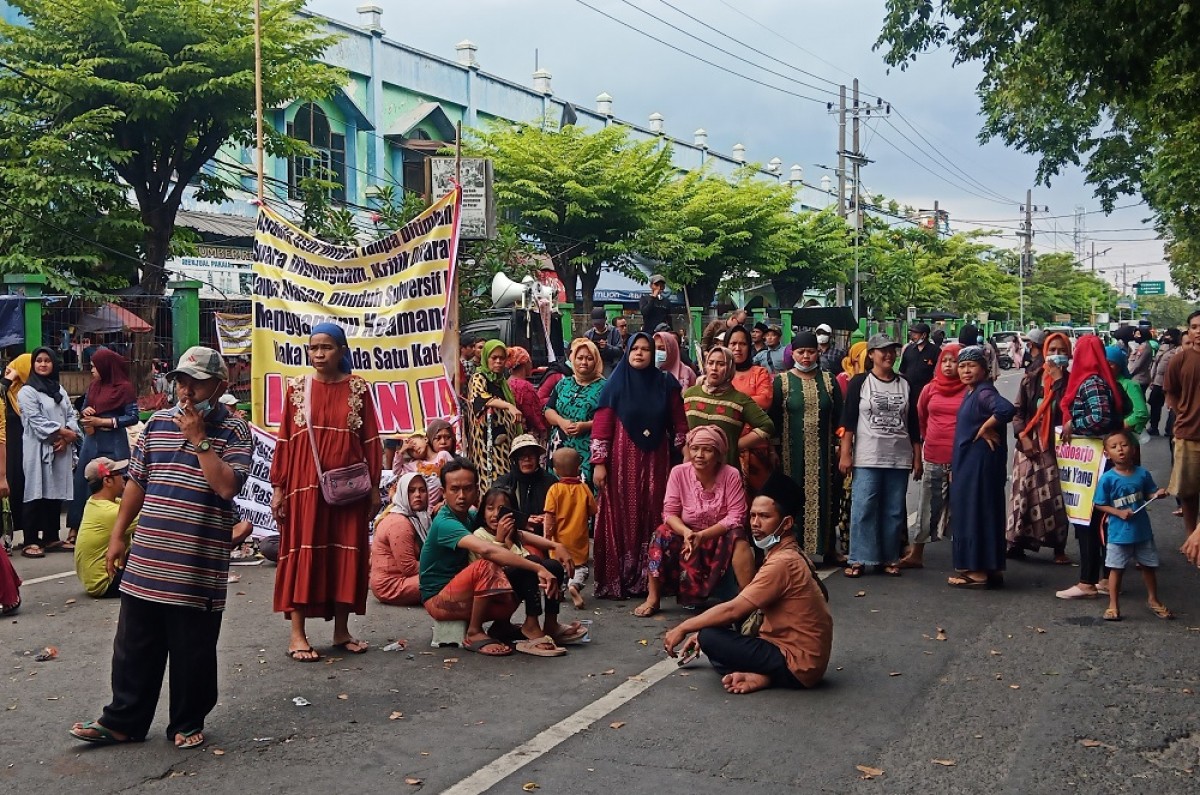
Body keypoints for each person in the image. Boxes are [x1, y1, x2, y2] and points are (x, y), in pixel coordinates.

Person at [69, 346, 251, 749]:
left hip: (196, 560)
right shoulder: (157, 425)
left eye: (196, 383)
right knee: (134, 645)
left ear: (219, 387)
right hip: (149, 552)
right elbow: (137, 482)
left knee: (193, 648)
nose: (186, 392)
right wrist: (118, 536)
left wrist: (200, 441)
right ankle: (122, 721)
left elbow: (225, 486)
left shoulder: (235, 430)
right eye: (182, 382)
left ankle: (186, 722)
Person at [271, 324, 383, 662]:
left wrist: (376, 489)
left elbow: (371, 441)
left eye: (327, 347)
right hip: (303, 489)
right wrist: (278, 488)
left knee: (345, 555)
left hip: (349, 490)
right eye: (314, 347)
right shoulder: (296, 389)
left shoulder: (358, 389)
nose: (319, 354)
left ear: (342, 350)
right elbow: (285, 442)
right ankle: (297, 635)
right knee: (305, 553)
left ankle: (341, 630)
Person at [662, 487, 833, 695]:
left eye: (764, 516)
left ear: (786, 523)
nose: (755, 523)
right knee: (722, 626)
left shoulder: (783, 562)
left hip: (798, 663)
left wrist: (684, 627)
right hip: (803, 658)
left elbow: (734, 610)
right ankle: (763, 676)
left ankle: (770, 675)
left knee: (710, 637)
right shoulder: (790, 551)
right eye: (752, 516)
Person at [418, 458, 565, 656]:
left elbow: (518, 532)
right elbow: (488, 550)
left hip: (465, 593)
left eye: (468, 488)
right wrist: (537, 569)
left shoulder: (469, 515)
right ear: (443, 493)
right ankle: (475, 631)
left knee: (536, 564)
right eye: (454, 489)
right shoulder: (445, 522)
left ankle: (505, 625)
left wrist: (555, 545)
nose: (461, 496)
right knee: (487, 564)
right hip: (439, 599)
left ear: (477, 491)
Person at [591, 332, 688, 599]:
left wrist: (687, 453)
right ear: (627, 351)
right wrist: (599, 462)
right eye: (635, 348)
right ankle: (622, 577)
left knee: (655, 513)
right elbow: (601, 428)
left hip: (657, 462)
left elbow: (680, 423)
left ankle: (653, 579)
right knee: (622, 515)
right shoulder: (614, 385)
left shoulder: (665, 383)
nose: (640, 353)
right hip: (621, 463)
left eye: (646, 349)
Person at [636, 424, 747, 616]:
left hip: (719, 534)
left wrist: (702, 536)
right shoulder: (679, 472)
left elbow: (736, 515)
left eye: (707, 450)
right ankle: (653, 597)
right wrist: (687, 532)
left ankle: (749, 598)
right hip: (687, 534)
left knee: (739, 537)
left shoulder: (731, 474)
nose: (699, 455)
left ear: (719, 453)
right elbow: (669, 513)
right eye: (695, 448)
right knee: (660, 534)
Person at [839, 334, 922, 578]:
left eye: (892, 351)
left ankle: (889, 557)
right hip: (867, 456)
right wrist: (846, 454)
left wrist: (917, 458)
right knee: (863, 507)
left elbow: (914, 424)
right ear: (871, 354)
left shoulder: (905, 384)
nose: (888, 355)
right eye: (882, 351)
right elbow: (849, 422)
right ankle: (859, 558)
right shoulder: (860, 383)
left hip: (899, 457)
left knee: (894, 510)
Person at [1056, 334, 1127, 600]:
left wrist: (1075, 424)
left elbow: (1100, 418)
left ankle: (1088, 581)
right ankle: (1106, 577)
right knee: (1100, 522)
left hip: (1094, 461)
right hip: (1097, 461)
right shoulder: (1104, 381)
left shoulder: (1091, 382)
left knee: (1088, 520)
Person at [471, 486, 584, 650]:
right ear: (482, 512)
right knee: (530, 562)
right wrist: (500, 539)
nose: (495, 514)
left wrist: (556, 546)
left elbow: (530, 537)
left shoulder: (514, 534)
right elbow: (491, 564)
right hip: (492, 590)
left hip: (518, 586)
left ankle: (551, 623)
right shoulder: (480, 535)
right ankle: (531, 625)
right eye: (490, 508)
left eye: (501, 510)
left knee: (553, 566)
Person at [770, 331, 844, 563]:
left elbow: (840, 418)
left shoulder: (829, 380)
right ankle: (795, 549)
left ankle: (829, 549)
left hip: (825, 454)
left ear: (817, 352)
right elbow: (772, 419)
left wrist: (842, 445)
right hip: (791, 455)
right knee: (793, 499)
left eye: (811, 352)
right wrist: (773, 450)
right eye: (801, 352)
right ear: (793, 353)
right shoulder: (781, 382)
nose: (806, 357)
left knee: (828, 497)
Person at [946, 347, 1016, 588]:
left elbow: (1006, 409)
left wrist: (986, 427)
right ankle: (990, 566)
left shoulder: (984, 392)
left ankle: (977, 571)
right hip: (972, 463)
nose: (965, 370)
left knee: (974, 513)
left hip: (978, 465)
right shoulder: (973, 392)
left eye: (971, 366)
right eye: (962, 366)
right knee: (984, 512)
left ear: (984, 369)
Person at [1093, 430, 1172, 621]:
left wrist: (1157, 495)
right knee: (1116, 569)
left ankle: (1153, 600)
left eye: (1124, 445)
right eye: (1114, 447)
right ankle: (1113, 605)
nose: (1120, 449)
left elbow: (1149, 493)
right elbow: (1098, 504)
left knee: (1148, 566)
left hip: (1142, 532)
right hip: (1118, 534)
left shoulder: (1142, 473)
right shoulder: (1107, 479)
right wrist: (1119, 513)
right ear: (1106, 454)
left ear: (1133, 449)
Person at [1007, 332, 1072, 564]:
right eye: (1052, 350)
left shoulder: (1072, 383)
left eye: (1061, 351)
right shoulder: (1031, 379)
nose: (1056, 355)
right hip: (1028, 444)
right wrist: (1023, 437)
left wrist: (1059, 382)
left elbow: (1070, 411)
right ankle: (1016, 542)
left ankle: (1058, 547)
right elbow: (1018, 411)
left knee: (1055, 497)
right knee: (1022, 494)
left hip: (1057, 447)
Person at [901, 343, 965, 569]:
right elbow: (920, 418)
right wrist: (926, 442)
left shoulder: (970, 389)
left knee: (961, 508)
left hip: (962, 459)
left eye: (954, 361)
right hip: (934, 454)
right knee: (927, 504)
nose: (949, 366)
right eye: (945, 361)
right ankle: (917, 553)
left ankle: (964, 558)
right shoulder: (931, 388)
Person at [67, 348, 138, 548]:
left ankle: (118, 530)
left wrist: (104, 421)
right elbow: (84, 409)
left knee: (116, 481)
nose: (92, 370)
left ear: (106, 367)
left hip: (114, 440)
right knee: (83, 480)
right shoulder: (95, 387)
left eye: (94, 366)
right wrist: (86, 411)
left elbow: (132, 416)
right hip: (92, 440)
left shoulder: (124, 388)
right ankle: (76, 527)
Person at [18, 348, 80, 557]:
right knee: (35, 491)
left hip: (59, 448)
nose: (43, 364)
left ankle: (52, 537)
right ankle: (30, 539)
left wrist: (65, 438)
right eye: (38, 361)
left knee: (55, 492)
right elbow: (37, 421)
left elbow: (71, 413)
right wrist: (64, 433)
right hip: (38, 448)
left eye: (47, 361)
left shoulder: (59, 390)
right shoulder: (27, 392)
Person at [683, 345, 774, 470]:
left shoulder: (739, 400)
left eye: (721, 364)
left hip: (726, 470)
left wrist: (735, 445)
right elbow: (682, 429)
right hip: (693, 468)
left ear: (730, 368)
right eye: (710, 363)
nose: (714, 368)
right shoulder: (690, 395)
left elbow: (767, 426)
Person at [544, 338, 605, 487]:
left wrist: (586, 425)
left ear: (596, 360)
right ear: (573, 359)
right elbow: (548, 409)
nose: (584, 362)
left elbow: (608, 419)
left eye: (589, 358)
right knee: (557, 491)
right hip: (559, 446)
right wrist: (561, 422)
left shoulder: (605, 387)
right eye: (580, 358)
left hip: (585, 449)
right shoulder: (564, 383)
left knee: (582, 491)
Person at [465, 339, 524, 490]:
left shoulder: (502, 382)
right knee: (491, 487)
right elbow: (480, 397)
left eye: (501, 358)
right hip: (487, 447)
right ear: (486, 358)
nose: (498, 361)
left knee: (507, 486)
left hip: (505, 445)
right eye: (494, 358)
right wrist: (508, 406)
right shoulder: (478, 378)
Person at [543, 447, 596, 609]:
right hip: (579, 540)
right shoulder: (584, 488)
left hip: (559, 542)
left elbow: (549, 516)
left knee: (559, 570)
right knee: (580, 568)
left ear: (555, 470)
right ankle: (575, 586)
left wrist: (547, 537)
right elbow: (593, 510)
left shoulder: (554, 490)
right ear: (578, 468)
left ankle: (559, 590)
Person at [74, 458, 134, 598]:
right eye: (119, 473)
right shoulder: (108, 512)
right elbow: (152, 516)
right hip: (106, 582)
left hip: (95, 580)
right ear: (107, 481)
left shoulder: (94, 502)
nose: (125, 476)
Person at [369, 473, 430, 606]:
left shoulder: (416, 517)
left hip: (402, 579)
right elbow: (409, 568)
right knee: (445, 578)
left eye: (422, 490)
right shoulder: (400, 523)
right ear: (402, 493)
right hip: (390, 585)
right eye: (411, 491)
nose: (418, 495)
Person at [726, 325, 775, 491]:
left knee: (757, 504)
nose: (737, 348)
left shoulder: (759, 373)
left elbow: (765, 400)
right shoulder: (719, 374)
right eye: (732, 344)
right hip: (725, 450)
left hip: (756, 449)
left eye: (743, 344)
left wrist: (728, 401)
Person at [1167, 311, 1200, 551]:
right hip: (1188, 435)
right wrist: (1183, 416)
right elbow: (1171, 393)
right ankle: (1190, 537)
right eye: (1194, 327)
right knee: (1188, 493)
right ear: (1188, 331)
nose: (1198, 331)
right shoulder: (1180, 360)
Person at [494, 434, 557, 533]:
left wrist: (548, 517)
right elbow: (496, 510)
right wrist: (523, 520)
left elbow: (563, 511)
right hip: (513, 535)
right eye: (522, 456)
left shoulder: (550, 482)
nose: (527, 459)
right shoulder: (504, 482)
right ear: (515, 460)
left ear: (537, 458)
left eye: (531, 455)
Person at [1, 354, 30, 554]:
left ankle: (7, 538)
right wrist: (6, 382)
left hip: (21, 451)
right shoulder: (6, 390)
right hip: (6, 449)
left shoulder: (31, 392)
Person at [394, 430, 453, 509]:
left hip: (440, 506)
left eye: (414, 444)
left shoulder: (442, 455)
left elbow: (455, 476)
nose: (414, 449)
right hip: (420, 508)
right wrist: (402, 451)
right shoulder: (414, 465)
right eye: (411, 451)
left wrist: (445, 501)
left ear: (425, 439)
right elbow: (396, 471)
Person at [1105, 345, 1150, 436]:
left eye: (1111, 363)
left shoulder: (1129, 385)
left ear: (1120, 366)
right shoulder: (1099, 383)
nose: (1107, 367)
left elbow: (1142, 413)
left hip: (1124, 437)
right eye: (1104, 363)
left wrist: (1122, 426)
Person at [505, 346, 548, 441]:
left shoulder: (507, 382)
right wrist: (543, 431)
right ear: (525, 363)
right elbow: (532, 414)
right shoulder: (524, 386)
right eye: (530, 361)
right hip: (526, 434)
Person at [1147, 328, 1180, 436]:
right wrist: (1152, 379)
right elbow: (1155, 364)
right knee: (1154, 403)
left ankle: (1170, 429)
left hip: (1171, 381)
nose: (1166, 337)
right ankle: (1154, 427)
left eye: (1169, 335)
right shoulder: (1163, 347)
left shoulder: (1178, 350)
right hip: (1158, 381)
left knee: (1172, 405)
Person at [899, 322, 941, 399]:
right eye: (912, 333)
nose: (912, 336)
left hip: (926, 393)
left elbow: (938, 374)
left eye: (915, 334)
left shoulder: (935, 351)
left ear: (924, 335)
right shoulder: (908, 349)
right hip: (908, 392)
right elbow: (902, 370)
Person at [585, 308, 623, 375]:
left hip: (609, 363)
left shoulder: (614, 331)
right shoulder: (588, 334)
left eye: (599, 323)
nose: (598, 326)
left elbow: (620, 351)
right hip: (593, 363)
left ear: (605, 319)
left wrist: (607, 347)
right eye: (595, 324)